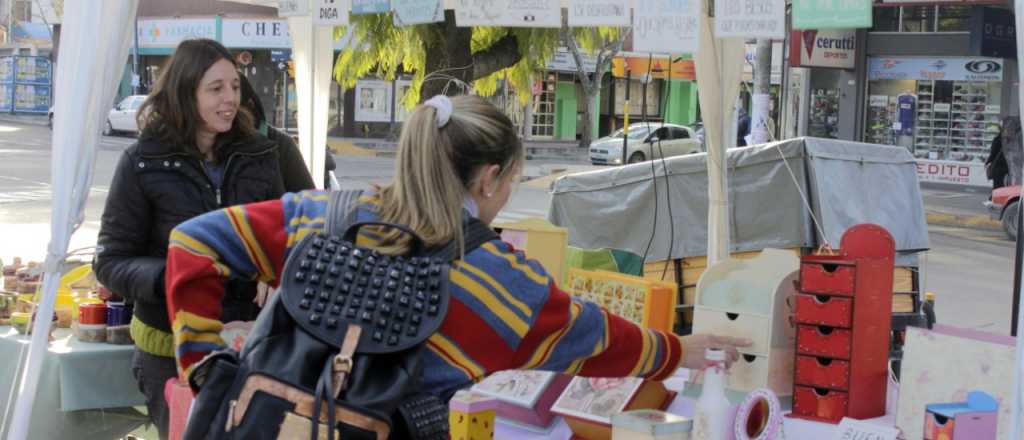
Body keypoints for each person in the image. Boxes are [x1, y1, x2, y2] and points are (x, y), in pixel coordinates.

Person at [165, 95, 749, 406]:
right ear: (489, 178)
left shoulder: (322, 216)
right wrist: (681, 350)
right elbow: (598, 341)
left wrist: (203, 365)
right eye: (513, 181)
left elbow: (193, 242)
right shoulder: (503, 283)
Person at [94, 38, 313, 440]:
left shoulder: (264, 153)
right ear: (184, 93)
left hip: (255, 340)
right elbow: (110, 261)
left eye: (234, 85)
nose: (231, 98)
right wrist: (181, 276)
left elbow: (305, 232)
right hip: (171, 346)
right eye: (216, 89)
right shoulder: (142, 162)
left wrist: (277, 270)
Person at [986, 123, 1008, 195]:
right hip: (1007, 167)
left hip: (998, 167)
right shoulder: (1010, 141)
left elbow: (993, 154)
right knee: (1004, 185)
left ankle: (994, 200)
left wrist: (987, 162)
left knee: (997, 186)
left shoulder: (997, 139)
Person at [1001, 116, 1023, 186]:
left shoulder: (1017, 135)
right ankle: (1015, 186)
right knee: (1015, 173)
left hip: (1015, 155)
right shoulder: (1016, 135)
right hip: (1015, 156)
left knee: (1016, 173)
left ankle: (1015, 186)